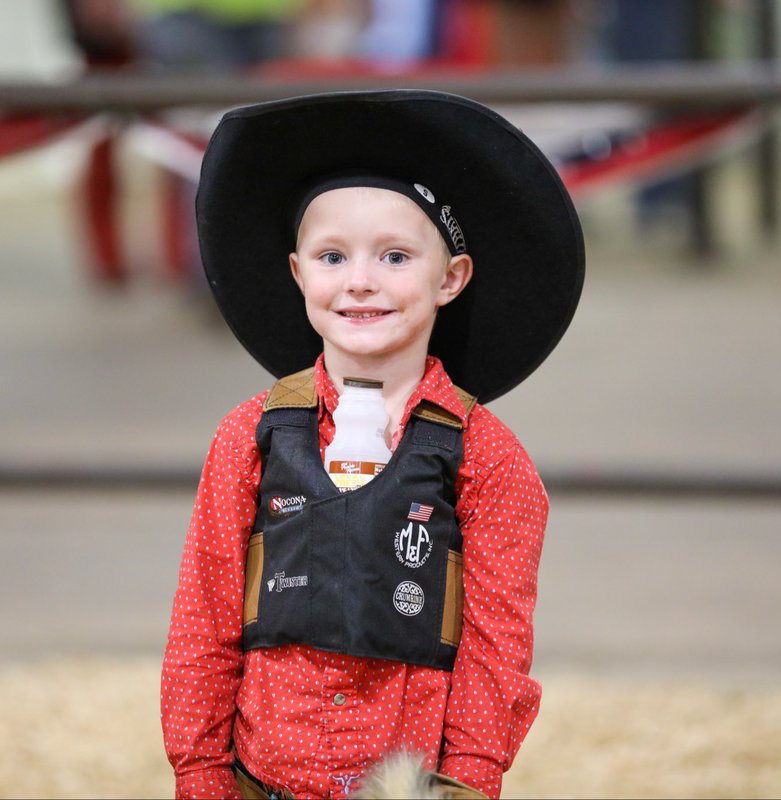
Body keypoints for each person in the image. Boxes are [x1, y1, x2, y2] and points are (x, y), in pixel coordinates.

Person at [160, 90, 584, 799]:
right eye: (332, 256)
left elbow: (495, 643)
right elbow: (203, 618)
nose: (359, 281)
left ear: (448, 278)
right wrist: (200, 772)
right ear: (298, 274)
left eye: (394, 256)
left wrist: (470, 778)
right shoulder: (250, 437)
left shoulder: (486, 458)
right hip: (263, 781)